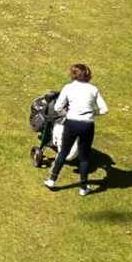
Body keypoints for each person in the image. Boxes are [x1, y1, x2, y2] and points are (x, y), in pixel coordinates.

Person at [45, 63, 108, 195]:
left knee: (63, 152)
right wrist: (92, 113)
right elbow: (104, 109)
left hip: (71, 123)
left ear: (73, 74)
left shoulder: (68, 88)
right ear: (87, 74)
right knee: (84, 158)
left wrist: (66, 114)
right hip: (87, 125)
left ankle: (52, 179)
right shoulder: (93, 89)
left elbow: (57, 107)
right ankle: (83, 188)